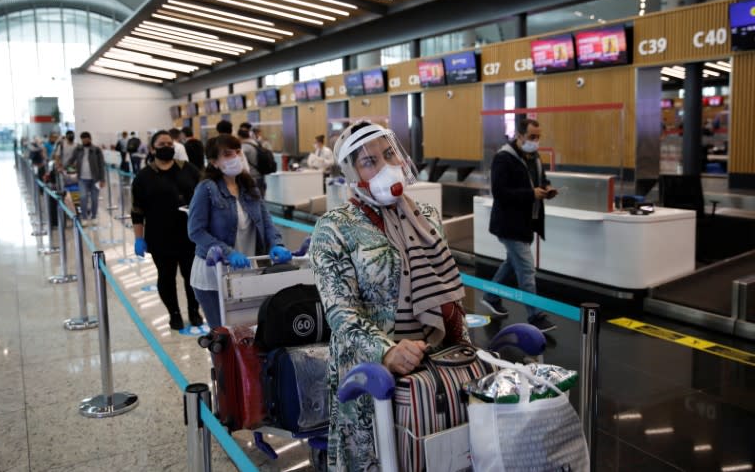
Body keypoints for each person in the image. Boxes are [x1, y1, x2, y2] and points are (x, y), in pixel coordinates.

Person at [309, 122, 469, 470]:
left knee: (435, 455)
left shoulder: (426, 217)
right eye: (370, 161)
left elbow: (447, 293)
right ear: (353, 172)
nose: (386, 166)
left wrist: (466, 350)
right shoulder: (335, 227)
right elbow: (342, 314)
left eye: (389, 154)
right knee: (379, 459)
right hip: (372, 376)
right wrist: (388, 351)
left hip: (433, 370)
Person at [187, 134, 290, 328]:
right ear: (214, 162)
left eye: (237, 151)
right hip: (213, 276)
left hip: (246, 272)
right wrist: (228, 252)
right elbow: (196, 231)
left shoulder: (249, 186)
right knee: (223, 337)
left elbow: (267, 223)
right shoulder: (206, 189)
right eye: (227, 154)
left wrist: (276, 244)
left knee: (248, 333)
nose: (235, 157)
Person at [481, 118, 558, 333]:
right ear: (519, 135)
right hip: (508, 224)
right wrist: (530, 194)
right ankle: (535, 316)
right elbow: (499, 192)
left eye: (538, 137)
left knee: (511, 264)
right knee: (525, 268)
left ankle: (490, 296)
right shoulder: (503, 158)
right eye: (532, 137)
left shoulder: (535, 157)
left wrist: (547, 188)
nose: (536, 141)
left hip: (525, 223)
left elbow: (541, 179)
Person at [132, 130, 202, 329]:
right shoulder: (143, 177)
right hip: (159, 237)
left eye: (170, 144)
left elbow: (204, 199)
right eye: (162, 144)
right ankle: (174, 313)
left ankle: (194, 311)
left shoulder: (189, 170)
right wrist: (139, 238)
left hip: (190, 236)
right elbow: (137, 210)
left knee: (192, 277)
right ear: (153, 149)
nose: (167, 147)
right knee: (166, 277)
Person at [66, 132, 106, 224]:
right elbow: (71, 159)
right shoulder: (78, 149)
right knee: (83, 197)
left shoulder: (96, 150)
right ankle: (84, 217)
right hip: (82, 179)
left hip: (95, 179)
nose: (84, 140)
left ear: (90, 139)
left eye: (86, 138)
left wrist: (102, 179)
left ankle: (94, 216)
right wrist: (66, 167)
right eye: (83, 139)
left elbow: (101, 165)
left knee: (94, 198)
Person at [238, 127, 265, 194]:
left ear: (240, 136)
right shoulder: (256, 144)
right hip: (260, 175)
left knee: (253, 198)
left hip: (251, 176)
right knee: (260, 197)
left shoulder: (244, 147)